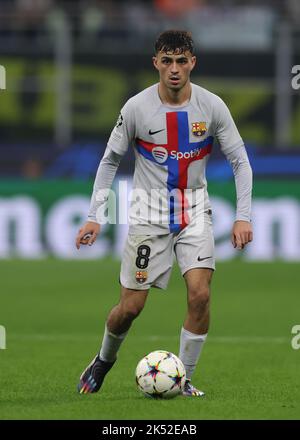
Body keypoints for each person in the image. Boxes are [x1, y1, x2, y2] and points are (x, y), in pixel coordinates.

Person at [75, 30, 253, 397]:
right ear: (156, 62)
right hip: (148, 213)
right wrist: (95, 214)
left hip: (194, 211)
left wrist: (244, 216)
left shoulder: (212, 106)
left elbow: (240, 161)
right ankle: (103, 360)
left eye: (181, 61)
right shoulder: (137, 108)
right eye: (167, 61)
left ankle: (183, 379)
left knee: (200, 295)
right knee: (130, 308)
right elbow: (110, 160)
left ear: (193, 63)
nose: (174, 69)